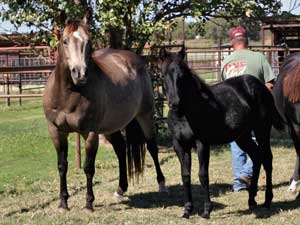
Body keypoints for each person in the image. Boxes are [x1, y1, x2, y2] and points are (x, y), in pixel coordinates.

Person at [220, 27, 275, 192]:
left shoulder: (225, 62)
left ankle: (239, 184)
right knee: (260, 142)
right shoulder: (258, 58)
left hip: (232, 112)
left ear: (232, 43)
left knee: (237, 144)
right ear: (247, 40)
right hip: (255, 109)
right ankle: (246, 173)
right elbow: (270, 85)